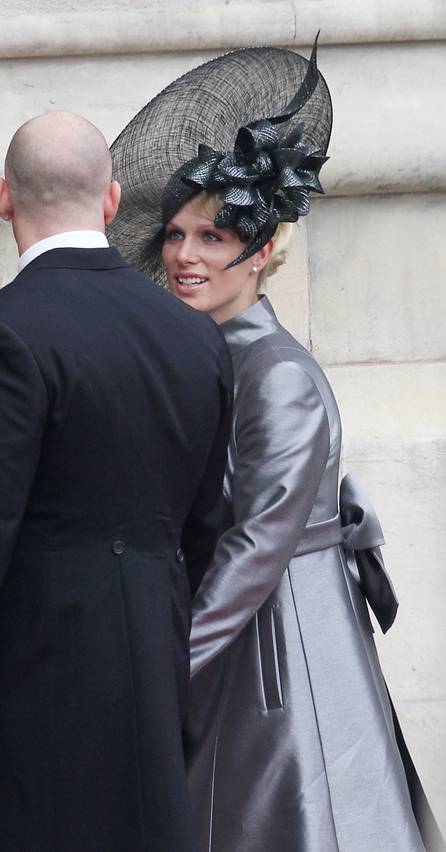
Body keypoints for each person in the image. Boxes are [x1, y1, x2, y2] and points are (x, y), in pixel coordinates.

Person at [108, 41, 445, 852]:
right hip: (236, 642)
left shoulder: (279, 374)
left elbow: (258, 547)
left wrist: (158, 672)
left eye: (214, 240)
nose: (186, 257)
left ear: (260, 254)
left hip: (284, 648)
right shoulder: (213, 357)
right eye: (178, 236)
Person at [0, 111, 234, 852]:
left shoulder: (1, 334)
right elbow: (207, 522)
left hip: (46, 676)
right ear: (111, 200)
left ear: (3, 197)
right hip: (160, 661)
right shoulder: (195, 334)